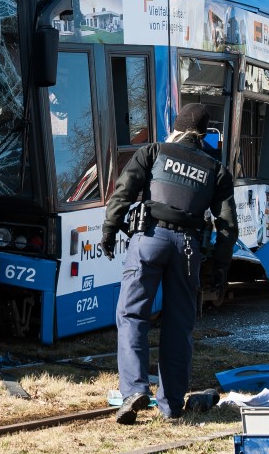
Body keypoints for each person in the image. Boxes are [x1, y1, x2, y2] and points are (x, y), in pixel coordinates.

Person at [100, 102, 238, 424]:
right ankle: (172, 405)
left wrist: (109, 229)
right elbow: (227, 226)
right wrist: (220, 267)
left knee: (132, 314)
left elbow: (124, 190)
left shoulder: (154, 151)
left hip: (149, 239)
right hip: (188, 248)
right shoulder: (216, 170)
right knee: (179, 327)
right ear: (204, 135)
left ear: (176, 128)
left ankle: (134, 390)